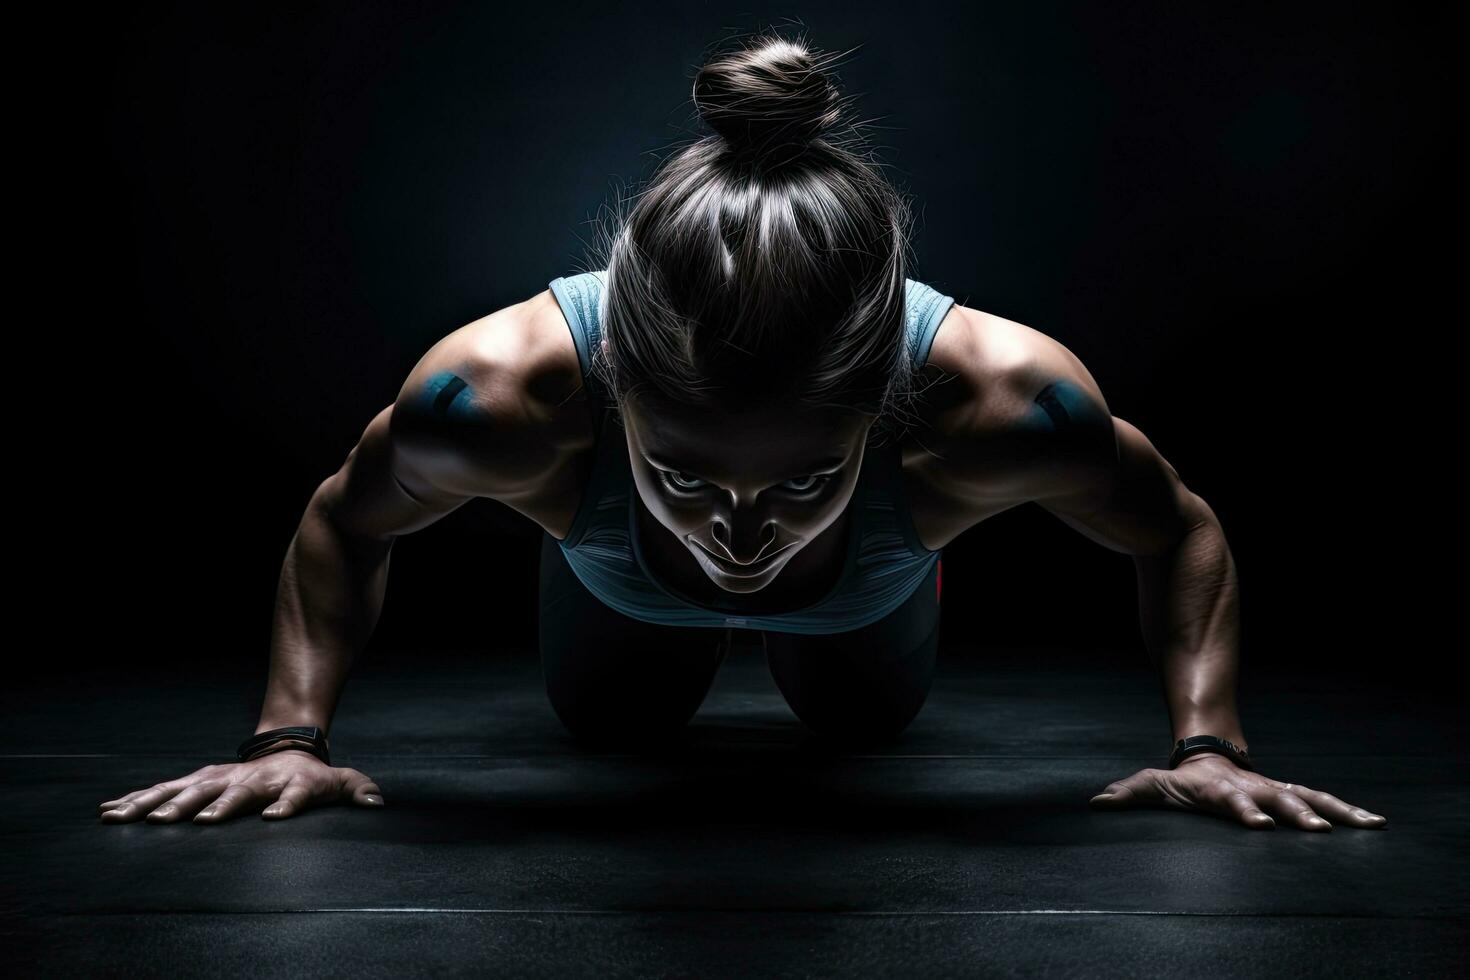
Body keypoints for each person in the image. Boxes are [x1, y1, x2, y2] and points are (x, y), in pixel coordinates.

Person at [99, 31, 1386, 833]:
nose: (740, 531)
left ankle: (867, 552)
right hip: (609, 576)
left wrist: (1208, 748)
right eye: (682, 471)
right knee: (617, 728)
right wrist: (289, 739)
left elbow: (1181, 527)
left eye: (807, 476)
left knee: (857, 727)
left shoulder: (1008, 407)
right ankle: (663, 529)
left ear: (888, 411)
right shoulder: (496, 399)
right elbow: (343, 517)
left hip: (867, 600)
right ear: (612, 399)